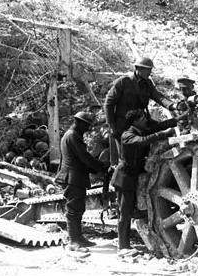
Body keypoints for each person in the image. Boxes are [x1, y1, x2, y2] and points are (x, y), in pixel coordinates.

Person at [112, 108, 185, 257]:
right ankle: (123, 247)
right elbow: (142, 142)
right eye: (143, 118)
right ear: (136, 121)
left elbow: (159, 126)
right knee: (124, 213)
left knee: (134, 211)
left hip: (133, 178)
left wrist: (179, 119)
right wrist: (164, 134)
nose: (146, 120)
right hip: (124, 178)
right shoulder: (128, 135)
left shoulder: (141, 131)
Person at [103, 57, 175, 165]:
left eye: (150, 70)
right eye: (147, 69)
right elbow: (108, 103)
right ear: (137, 68)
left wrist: (173, 105)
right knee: (123, 159)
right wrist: (111, 125)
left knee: (140, 155)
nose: (149, 72)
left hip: (139, 124)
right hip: (122, 126)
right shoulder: (123, 82)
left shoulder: (148, 84)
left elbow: (158, 97)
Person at [55, 111, 107, 252]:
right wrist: (102, 167)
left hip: (75, 177)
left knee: (78, 209)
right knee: (73, 210)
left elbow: (80, 159)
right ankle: (73, 241)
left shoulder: (71, 135)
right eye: (87, 125)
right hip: (72, 178)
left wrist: (96, 169)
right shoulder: (73, 136)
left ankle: (79, 238)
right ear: (79, 122)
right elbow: (84, 158)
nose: (88, 129)